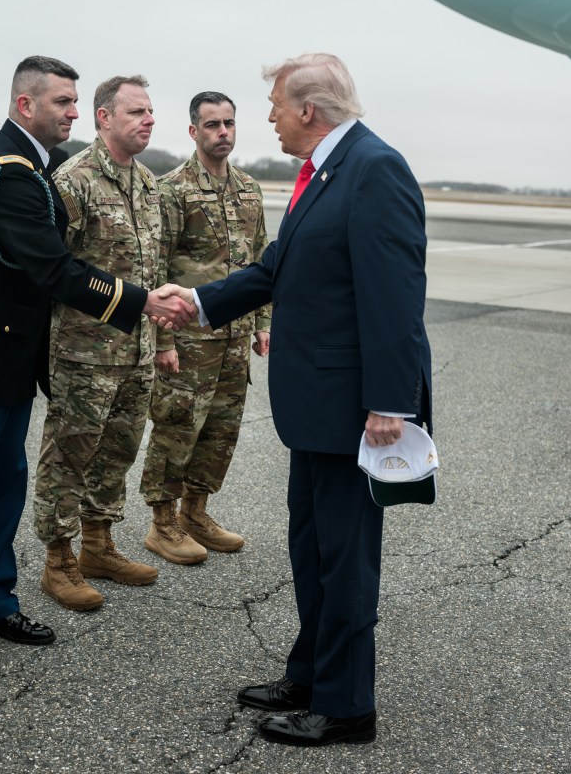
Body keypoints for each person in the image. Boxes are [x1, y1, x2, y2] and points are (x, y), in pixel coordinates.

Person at [164, 53, 432, 747]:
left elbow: (396, 298)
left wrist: (389, 404)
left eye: (277, 106)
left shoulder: (375, 169)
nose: (271, 118)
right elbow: (277, 267)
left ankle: (346, 708)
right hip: (317, 407)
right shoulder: (324, 173)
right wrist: (196, 301)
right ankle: (311, 671)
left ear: (308, 111)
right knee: (312, 549)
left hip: (356, 412)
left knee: (345, 559)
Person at [0, 58, 192, 662]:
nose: (72, 113)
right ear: (25, 104)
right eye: (62, 102)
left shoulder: (41, 165)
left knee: (2, 487)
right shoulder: (7, 171)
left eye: (75, 101)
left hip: (9, 357)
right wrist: (141, 302)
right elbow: (53, 270)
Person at [33, 75, 167, 611]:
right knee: (69, 457)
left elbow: (154, 271)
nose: (148, 120)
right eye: (136, 111)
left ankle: (98, 544)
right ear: (103, 118)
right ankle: (58, 559)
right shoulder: (74, 180)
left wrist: (160, 340)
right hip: (85, 354)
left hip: (136, 351)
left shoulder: (149, 184)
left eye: (151, 111)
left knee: (117, 453)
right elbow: (54, 271)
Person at [139, 91, 271, 565]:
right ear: (193, 131)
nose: (223, 132)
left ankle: (197, 511)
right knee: (177, 427)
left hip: (234, 339)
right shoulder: (171, 190)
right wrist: (163, 339)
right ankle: (163, 523)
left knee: (220, 431)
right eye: (212, 124)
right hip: (188, 340)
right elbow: (154, 269)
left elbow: (260, 262)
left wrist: (261, 322)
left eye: (229, 123)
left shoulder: (250, 190)